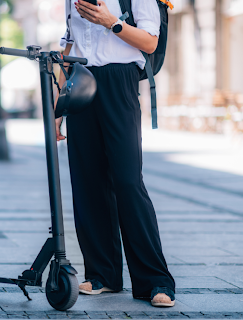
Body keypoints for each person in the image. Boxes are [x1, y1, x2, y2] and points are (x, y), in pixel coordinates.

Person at [56, 0, 176, 307]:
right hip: (81, 81)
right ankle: (102, 275)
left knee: (127, 181)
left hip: (119, 79)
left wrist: (111, 21)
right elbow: (68, 46)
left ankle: (156, 280)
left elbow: (150, 41)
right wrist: (58, 106)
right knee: (87, 182)